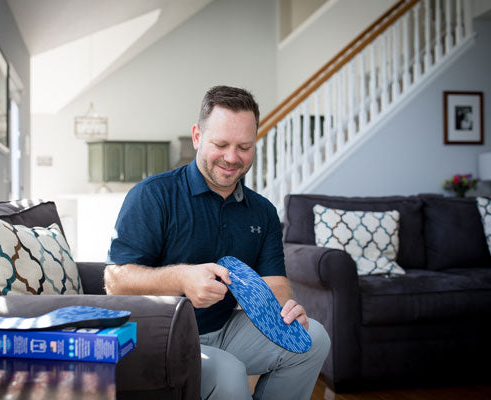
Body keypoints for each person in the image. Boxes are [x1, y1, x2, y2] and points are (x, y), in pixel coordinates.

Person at [104, 85, 330, 400]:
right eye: (220, 144)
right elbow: (115, 282)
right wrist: (182, 277)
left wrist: (287, 314)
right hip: (164, 336)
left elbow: (275, 283)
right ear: (197, 136)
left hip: (226, 331)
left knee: (314, 338)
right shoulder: (152, 195)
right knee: (229, 372)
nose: (232, 158)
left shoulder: (262, 211)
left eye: (244, 146)